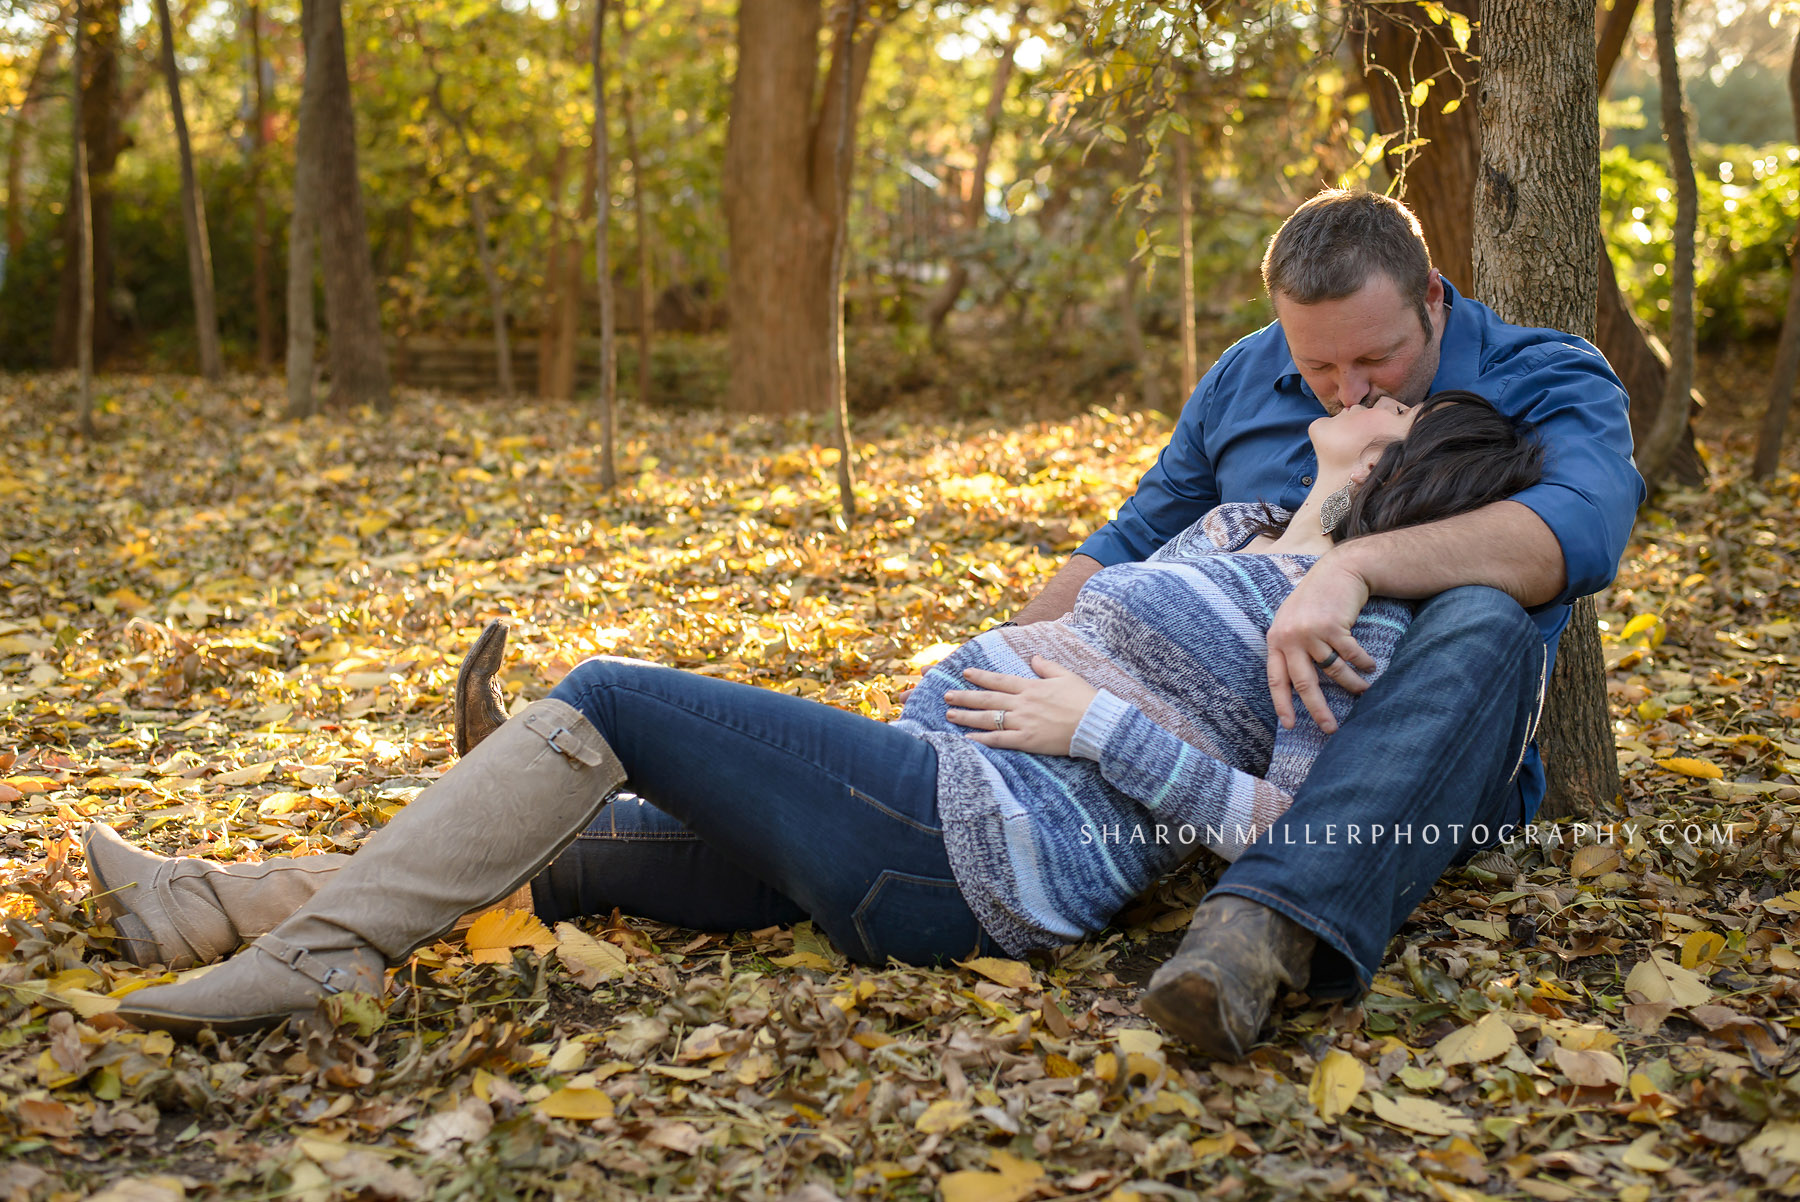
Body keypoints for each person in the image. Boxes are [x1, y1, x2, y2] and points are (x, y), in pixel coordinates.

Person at [87, 392, 1543, 1044]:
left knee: (606, 696)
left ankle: (307, 967)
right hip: (929, 801)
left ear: (1429, 461)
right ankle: (207, 904)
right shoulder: (1249, 522)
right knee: (577, 851)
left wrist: (1098, 723)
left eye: (1387, 403)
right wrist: (1317, 502)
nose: (1351, 394)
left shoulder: (1362, 629)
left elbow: (1278, 829)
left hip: (982, 852)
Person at [996, 188, 1643, 1058]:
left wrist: (1351, 565)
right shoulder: (1242, 376)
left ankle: (1255, 932)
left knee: (1483, 608)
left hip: (1431, 763)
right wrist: (998, 659)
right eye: (1319, 370)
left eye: (1380, 357)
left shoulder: (1545, 374)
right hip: (1234, 758)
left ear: (1433, 299)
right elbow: (1130, 540)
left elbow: (1578, 532)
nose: (1350, 391)